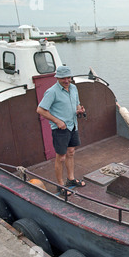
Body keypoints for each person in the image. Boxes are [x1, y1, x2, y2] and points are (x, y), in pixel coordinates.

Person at [36, 65, 86, 196]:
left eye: (68, 77)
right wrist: (57, 121)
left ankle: (70, 179)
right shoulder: (51, 92)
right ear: (57, 78)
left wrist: (79, 110)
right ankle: (60, 185)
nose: (66, 80)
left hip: (73, 125)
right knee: (61, 157)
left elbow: (77, 103)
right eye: (63, 78)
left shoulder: (74, 88)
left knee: (71, 152)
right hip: (60, 129)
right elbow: (40, 110)